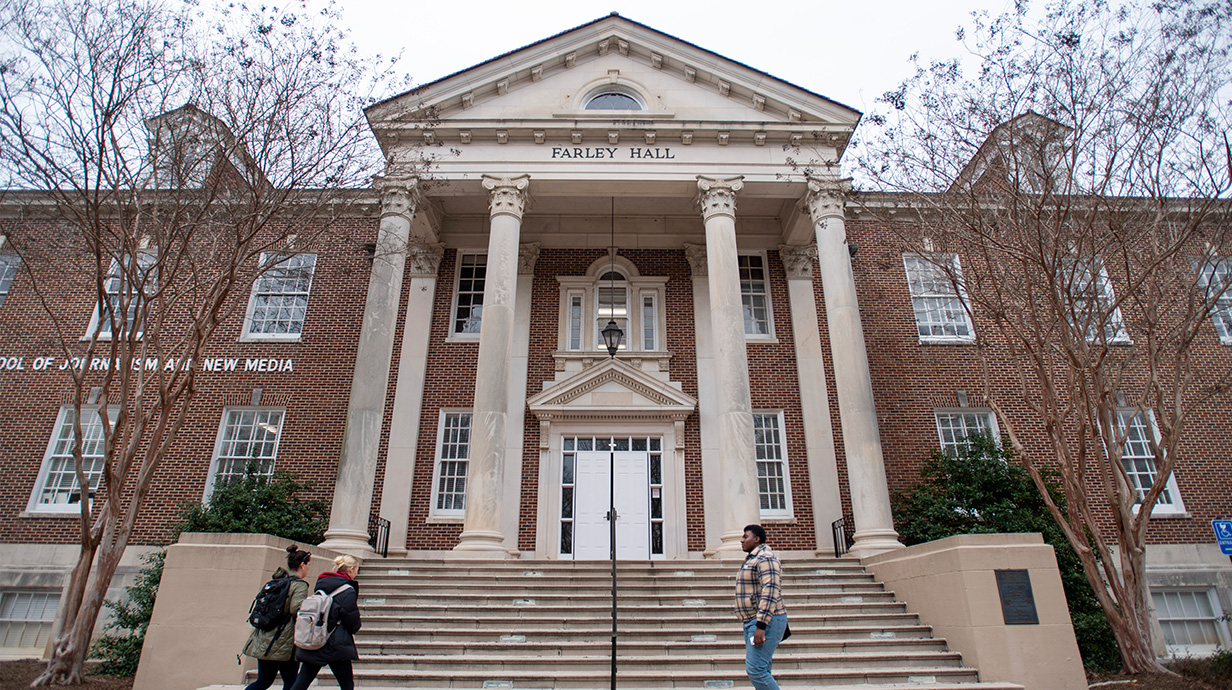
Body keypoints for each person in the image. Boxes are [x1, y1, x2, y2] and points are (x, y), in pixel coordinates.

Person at [241, 544, 312, 690]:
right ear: (302, 565)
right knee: (291, 682)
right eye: (308, 564)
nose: (308, 567)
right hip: (284, 643)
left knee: (264, 681)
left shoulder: (278, 581)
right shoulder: (299, 586)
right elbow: (296, 608)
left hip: (265, 638)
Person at [288, 554, 362, 690]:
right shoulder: (347, 590)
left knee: (301, 683)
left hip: (316, 637)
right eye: (357, 569)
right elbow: (351, 619)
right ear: (351, 569)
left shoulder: (322, 584)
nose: (356, 573)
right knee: (347, 685)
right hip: (336, 643)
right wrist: (355, 627)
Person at [734, 524, 788, 690]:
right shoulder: (753, 558)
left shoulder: (766, 558)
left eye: (745, 537)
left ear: (756, 539)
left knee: (756, 670)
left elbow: (771, 591)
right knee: (762, 669)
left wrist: (761, 625)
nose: (742, 540)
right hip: (752, 620)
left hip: (765, 621)